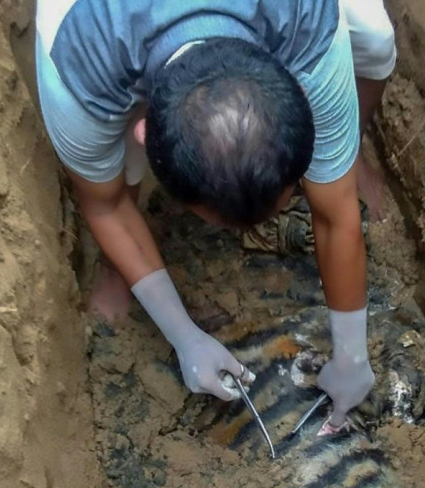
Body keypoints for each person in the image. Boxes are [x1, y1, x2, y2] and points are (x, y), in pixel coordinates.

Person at [35, 0, 396, 431]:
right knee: (116, 179)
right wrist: (182, 335)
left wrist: (352, 357)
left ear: (302, 92)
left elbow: (336, 219)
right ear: (145, 130)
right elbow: (105, 203)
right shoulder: (78, 68)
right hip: (105, 30)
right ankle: (117, 266)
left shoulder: (308, 23)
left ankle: (343, 155)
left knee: (376, 40)